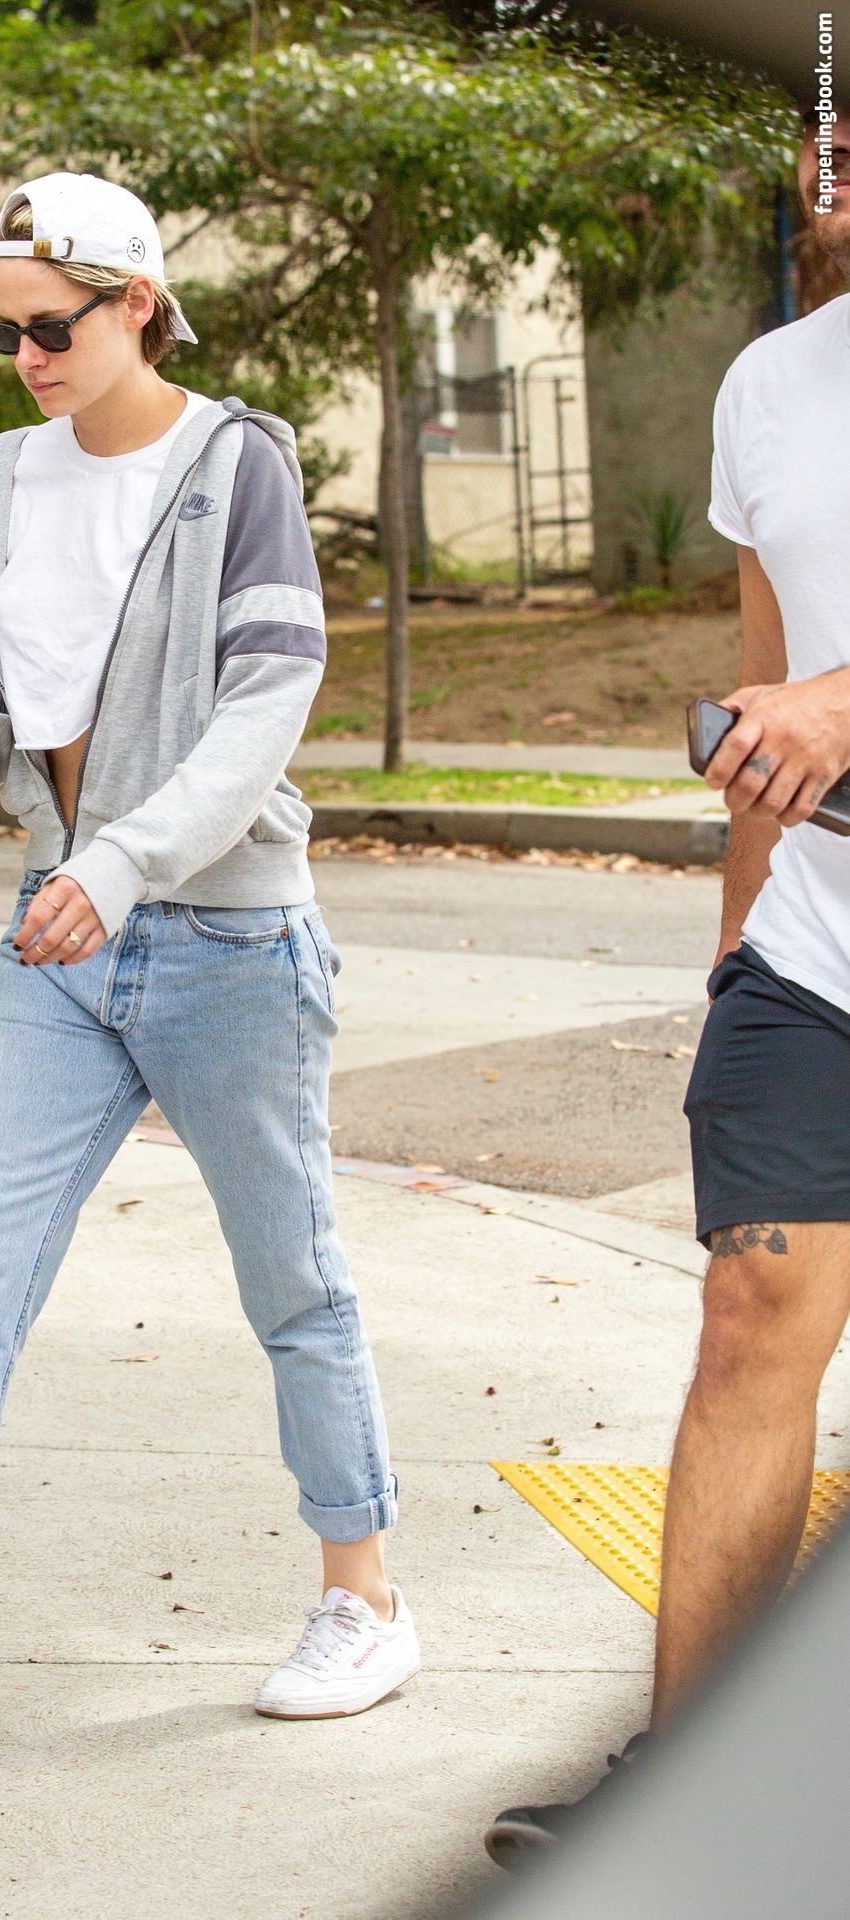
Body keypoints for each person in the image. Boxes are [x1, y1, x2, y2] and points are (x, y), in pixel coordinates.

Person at [0, 170, 417, 1742]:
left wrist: (119, 865)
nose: (27, 358)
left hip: (227, 937)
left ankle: (367, 1603)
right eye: (3, 332)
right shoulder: (6, 475)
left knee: (294, 1285)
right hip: (59, 936)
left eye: (51, 327)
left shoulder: (237, 461)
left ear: (137, 304)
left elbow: (263, 710)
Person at [486, 103, 850, 1865]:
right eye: (827, 125)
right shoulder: (770, 384)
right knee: (750, 1315)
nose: (833, 157)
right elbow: (769, 682)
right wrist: (737, 943)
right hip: (818, 951)